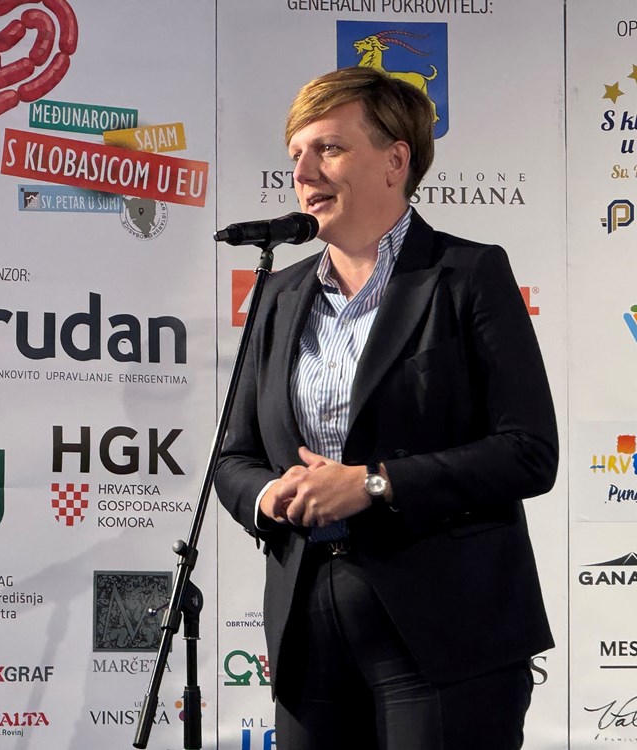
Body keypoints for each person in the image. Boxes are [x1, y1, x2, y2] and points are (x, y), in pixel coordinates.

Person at [215, 66, 557, 749]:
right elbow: (233, 457)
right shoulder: (278, 293)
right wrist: (272, 496)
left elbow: (528, 451)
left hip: (445, 627)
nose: (303, 172)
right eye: (296, 154)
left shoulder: (467, 274)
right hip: (308, 627)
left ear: (396, 161)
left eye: (329, 148)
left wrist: (373, 483)